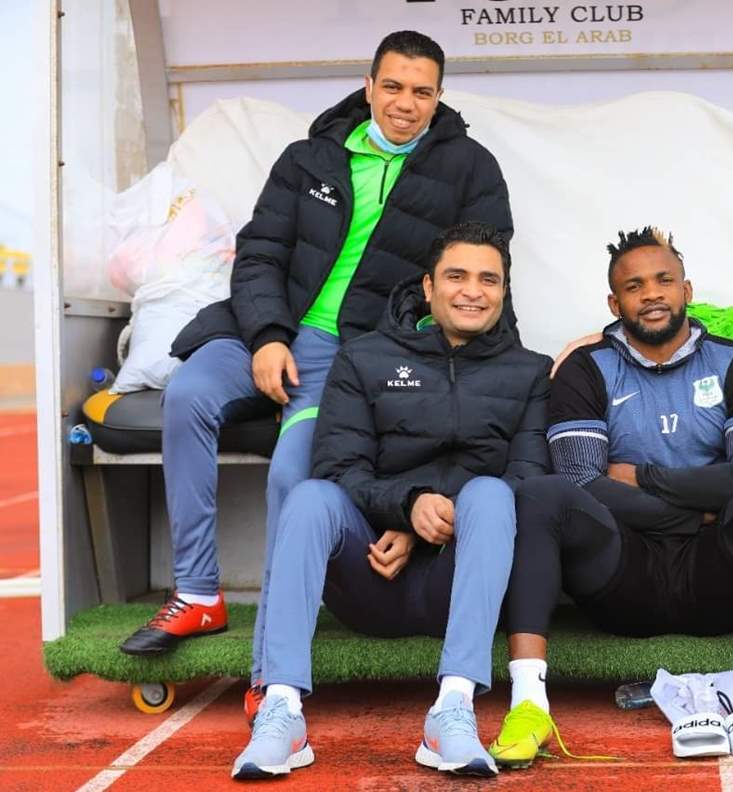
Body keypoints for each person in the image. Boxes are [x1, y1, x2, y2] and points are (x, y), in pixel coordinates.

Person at [119, 29, 514, 705]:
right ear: (369, 86)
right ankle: (198, 592)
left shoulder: (469, 169)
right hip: (263, 330)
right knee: (186, 396)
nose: (405, 104)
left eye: (422, 92)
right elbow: (261, 255)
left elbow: (476, 279)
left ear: (439, 97)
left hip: (354, 355)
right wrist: (269, 337)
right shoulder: (311, 156)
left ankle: (271, 665)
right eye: (393, 87)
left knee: (291, 472)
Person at [488, 227, 733, 769]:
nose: (651, 294)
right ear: (614, 304)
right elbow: (581, 480)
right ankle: (529, 707)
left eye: (663, 280)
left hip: (719, 579)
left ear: (686, 290)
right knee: (543, 495)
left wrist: (642, 477)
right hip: (623, 578)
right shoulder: (585, 367)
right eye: (634, 286)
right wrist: (698, 507)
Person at [231, 222, 549, 780]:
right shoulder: (365, 358)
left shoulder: (529, 371)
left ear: (504, 291)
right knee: (310, 498)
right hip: (370, 572)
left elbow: (528, 475)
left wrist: (431, 512)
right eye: (457, 276)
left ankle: (453, 709)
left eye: (488, 279)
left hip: (458, 579)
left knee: (494, 493)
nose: (472, 291)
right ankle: (281, 709)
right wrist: (405, 505)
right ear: (428, 286)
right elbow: (337, 465)